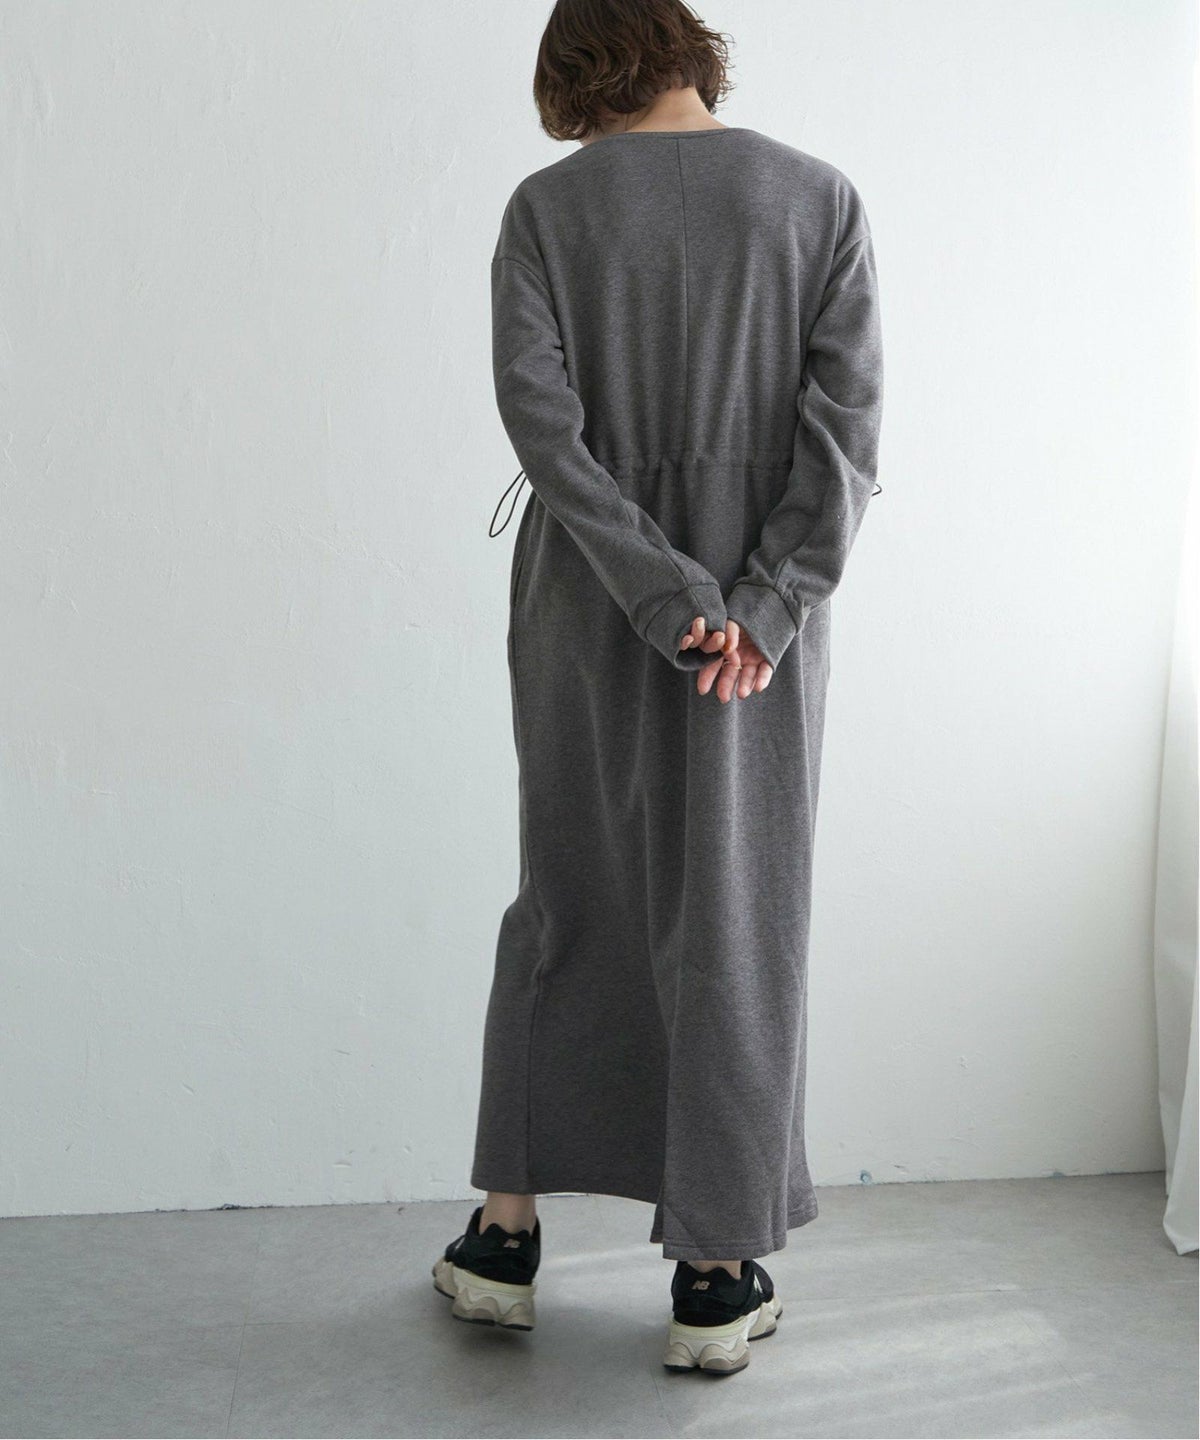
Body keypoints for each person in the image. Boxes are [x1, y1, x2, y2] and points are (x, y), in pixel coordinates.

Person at [432, 0, 884, 1376]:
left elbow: (545, 428)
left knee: (568, 886)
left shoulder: (546, 211)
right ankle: (715, 1270)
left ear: (577, 70)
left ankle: (504, 1238)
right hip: (759, 632)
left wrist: (658, 592)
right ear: (692, 47)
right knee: (738, 913)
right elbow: (845, 438)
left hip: (589, 600)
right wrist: (764, 605)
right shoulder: (819, 200)